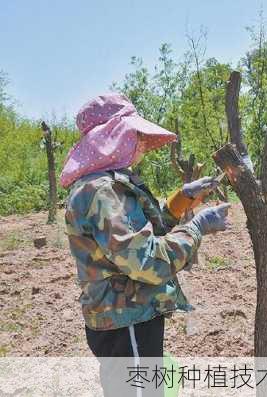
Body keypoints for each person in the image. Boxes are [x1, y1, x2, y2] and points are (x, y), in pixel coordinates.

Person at [60, 93, 231, 396]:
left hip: (125, 316)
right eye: (134, 135)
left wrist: (182, 201)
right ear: (114, 138)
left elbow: (139, 234)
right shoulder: (103, 192)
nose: (140, 143)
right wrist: (197, 228)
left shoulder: (103, 186)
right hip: (126, 319)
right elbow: (145, 261)